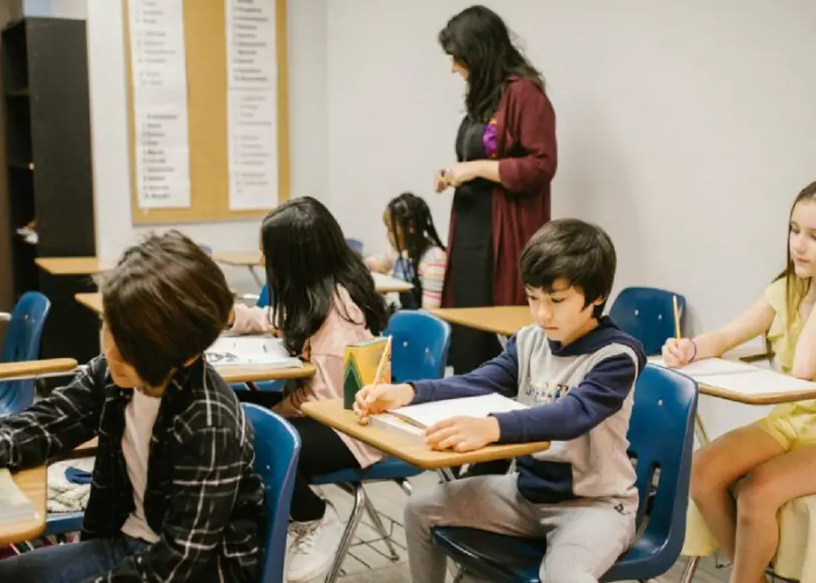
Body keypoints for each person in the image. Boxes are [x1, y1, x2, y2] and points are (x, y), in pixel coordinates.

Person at [0, 231, 264, 583]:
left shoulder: (209, 424)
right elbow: (52, 420)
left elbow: (179, 561)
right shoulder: (116, 374)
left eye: (132, 344)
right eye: (110, 326)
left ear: (185, 353)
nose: (112, 352)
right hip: (124, 544)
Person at [357, 219, 645, 583]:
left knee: (565, 576)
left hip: (595, 506)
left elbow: (573, 414)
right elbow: (481, 381)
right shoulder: (529, 340)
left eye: (556, 300)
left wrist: (492, 428)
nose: (542, 314)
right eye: (533, 298)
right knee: (419, 508)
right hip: (525, 495)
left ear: (597, 296)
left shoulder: (616, 356)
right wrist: (408, 393)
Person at [664, 174, 816, 583]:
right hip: (793, 418)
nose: (798, 245)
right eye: (794, 230)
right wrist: (690, 347)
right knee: (702, 470)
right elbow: (726, 336)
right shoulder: (787, 288)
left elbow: (810, 365)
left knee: (758, 491)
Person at [228, 196, 389, 582]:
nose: (264, 263)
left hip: (351, 428)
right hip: (321, 407)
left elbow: (328, 403)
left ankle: (312, 516)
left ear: (294, 261)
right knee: (226, 406)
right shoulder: (315, 295)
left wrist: (276, 411)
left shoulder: (341, 321)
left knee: (247, 438)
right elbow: (275, 317)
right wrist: (233, 315)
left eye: (269, 256)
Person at [435, 5, 558, 374]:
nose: (453, 67)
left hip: (505, 231)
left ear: (480, 53)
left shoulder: (525, 94)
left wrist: (477, 168)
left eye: (458, 57)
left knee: (499, 333)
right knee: (469, 328)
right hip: (474, 228)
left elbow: (542, 164)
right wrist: (455, 173)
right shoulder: (485, 97)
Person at [365, 192, 447, 310]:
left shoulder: (433, 260)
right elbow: (373, 264)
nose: (388, 236)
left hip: (419, 323)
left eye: (391, 230)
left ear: (410, 227)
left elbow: (430, 314)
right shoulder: (401, 252)